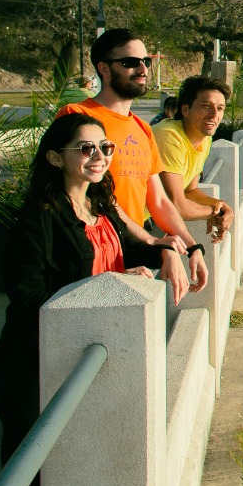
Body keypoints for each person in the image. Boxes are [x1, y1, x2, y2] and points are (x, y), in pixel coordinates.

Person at [0, 112, 194, 486]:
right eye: (86, 149)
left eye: (105, 148)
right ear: (56, 158)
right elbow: (28, 298)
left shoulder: (99, 203)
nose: (99, 157)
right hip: (34, 368)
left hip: (86, 362)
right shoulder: (38, 218)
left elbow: (122, 255)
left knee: (73, 478)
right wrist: (107, 284)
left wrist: (165, 252)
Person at [57, 29, 208, 292]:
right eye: (130, 62)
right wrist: (153, 243)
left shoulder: (142, 128)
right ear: (104, 69)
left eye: (145, 61)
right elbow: (88, 197)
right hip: (91, 255)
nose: (143, 69)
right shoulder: (76, 116)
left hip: (131, 251)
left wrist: (192, 247)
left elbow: (158, 201)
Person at [154, 76, 235, 241]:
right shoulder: (169, 136)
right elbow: (178, 205)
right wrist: (213, 211)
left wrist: (220, 205)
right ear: (185, 110)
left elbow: (189, 191)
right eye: (206, 106)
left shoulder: (203, 139)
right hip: (123, 220)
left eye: (220, 108)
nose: (214, 115)